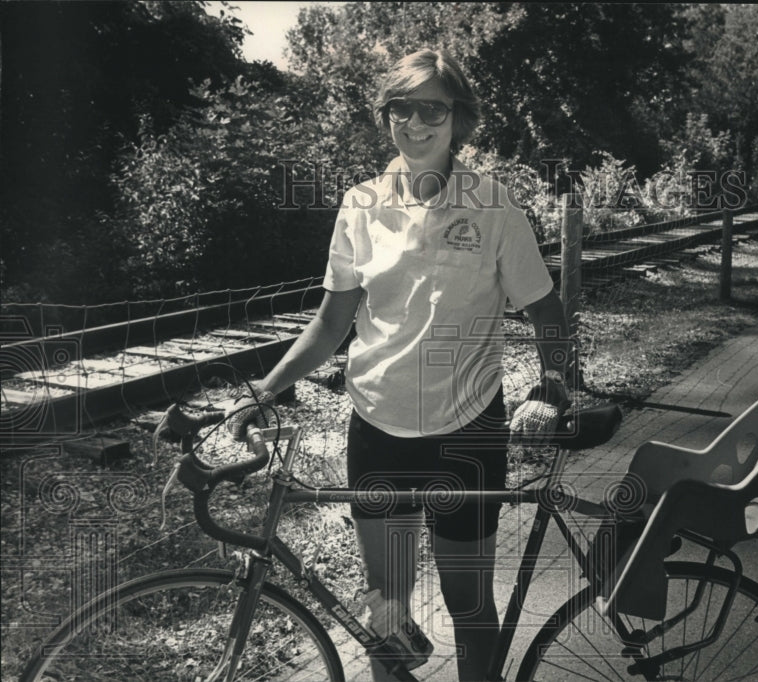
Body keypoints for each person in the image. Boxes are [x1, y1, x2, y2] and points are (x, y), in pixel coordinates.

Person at [228, 48, 571, 682]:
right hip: (378, 428)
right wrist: (263, 390)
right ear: (385, 114)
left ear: (457, 118)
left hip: (466, 431)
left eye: (432, 109)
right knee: (386, 612)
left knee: (469, 607)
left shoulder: (494, 206)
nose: (416, 123)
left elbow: (546, 311)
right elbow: (332, 323)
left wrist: (549, 388)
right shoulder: (361, 205)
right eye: (401, 108)